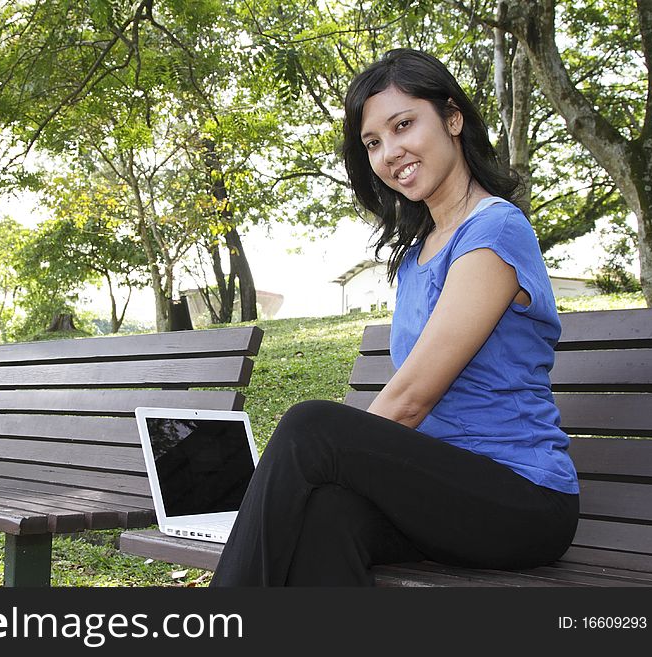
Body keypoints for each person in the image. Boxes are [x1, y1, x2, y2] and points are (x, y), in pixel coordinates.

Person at [209, 48, 580, 587]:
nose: (389, 153)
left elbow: (410, 399)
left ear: (453, 119)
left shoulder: (494, 231)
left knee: (309, 426)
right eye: (373, 142)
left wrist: (310, 464)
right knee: (326, 517)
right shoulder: (416, 255)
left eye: (403, 125)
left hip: (521, 498)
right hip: (441, 492)